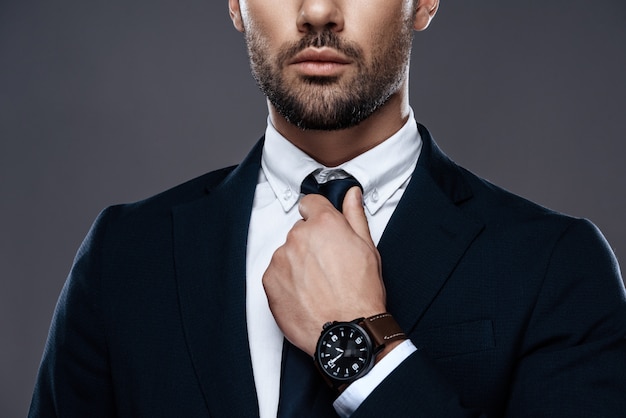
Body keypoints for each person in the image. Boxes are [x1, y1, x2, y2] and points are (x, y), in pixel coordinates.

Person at [29, 0, 626, 417]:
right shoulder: (125, 256)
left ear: (424, 2)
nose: (317, 11)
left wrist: (364, 346)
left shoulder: (556, 266)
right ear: (235, 2)